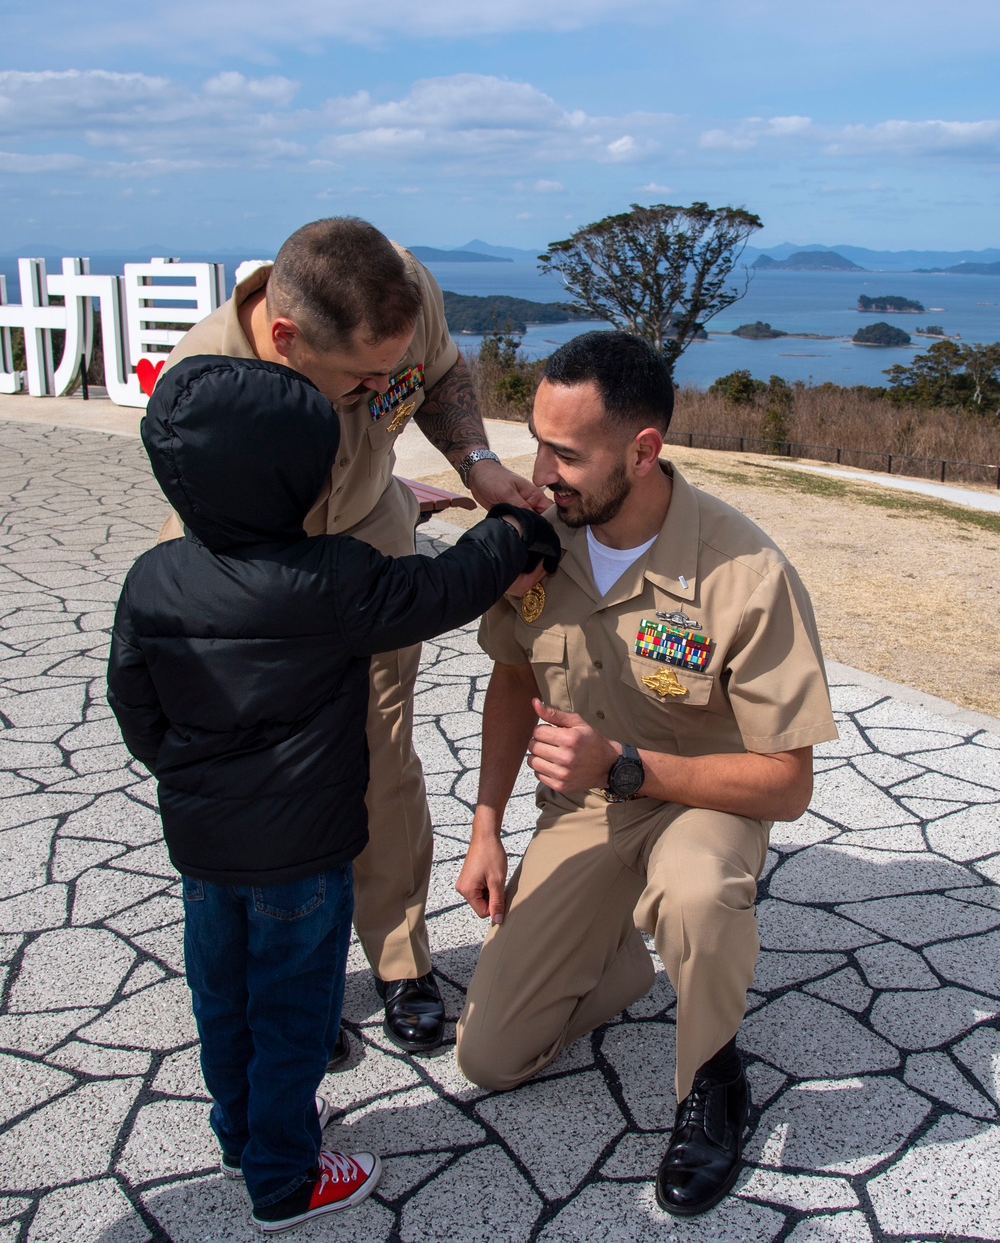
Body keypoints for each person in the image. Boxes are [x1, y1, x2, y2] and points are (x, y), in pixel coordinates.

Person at [108, 356, 558, 1232]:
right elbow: (442, 589)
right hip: (304, 856)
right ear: (295, 476)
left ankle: (242, 1134)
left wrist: (192, 780)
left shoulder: (152, 578)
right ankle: (284, 1176)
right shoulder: (331, 581)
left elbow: (138, 709)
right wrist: (513, 535)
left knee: (224, 998)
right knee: (292, 1012)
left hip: (203, 849)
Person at [454, 331, 838, 1218]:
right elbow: (512, 678)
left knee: (697, 893)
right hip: (586, 809)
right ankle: (624, 956)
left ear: (643, 451)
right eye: (537, 439)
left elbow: (788, 783)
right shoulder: (538, 537)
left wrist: (627, 765)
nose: (540, 471)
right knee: (492, 1059)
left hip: (701, 800)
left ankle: (712, 1079)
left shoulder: (746, 573)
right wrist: (486, 823)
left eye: (568, 454)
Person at [156, 217, 547, 1054]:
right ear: (287, 339)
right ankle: (292, 988)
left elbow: (437, 375)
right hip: (249, 570)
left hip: (367, 533)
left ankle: (401, 959)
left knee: (381, 751)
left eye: (388, 369)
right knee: (279, 782)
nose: (383, 390)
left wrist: (477, 463)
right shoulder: (206, 382)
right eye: (361, 379)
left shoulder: (400, 293)